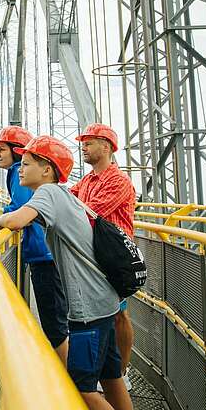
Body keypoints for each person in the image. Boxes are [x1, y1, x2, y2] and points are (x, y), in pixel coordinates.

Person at [0, 135, 154, 410]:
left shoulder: (49, 194)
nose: (21, 167)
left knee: (85, 389)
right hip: (105, 302)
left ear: (47, 169)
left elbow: (15, 221)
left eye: (28, 162)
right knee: (113, 381)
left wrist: (2, 219)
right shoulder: (68, 195)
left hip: (87, 312)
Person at [0, 126, 68, 362]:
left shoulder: (15, 173)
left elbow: (20, 212)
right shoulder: (20, 173)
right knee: (58, 319)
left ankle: (73, 383)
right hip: (47, 255)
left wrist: (3, 215)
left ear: (16, 151)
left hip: (44, 257)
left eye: (2, 149)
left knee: (55, 324)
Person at [72, 124, 137, 391]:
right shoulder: (87, 181)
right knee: (105, 313)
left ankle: (121, 371)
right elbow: (69, 201)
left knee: (119, 315)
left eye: (89, 142)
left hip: (115, 258)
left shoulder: (118, 181)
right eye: (83, 142)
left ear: (107, 147)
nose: (83, 147)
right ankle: (108, 369)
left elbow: (89, 213)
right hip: (95, 256)